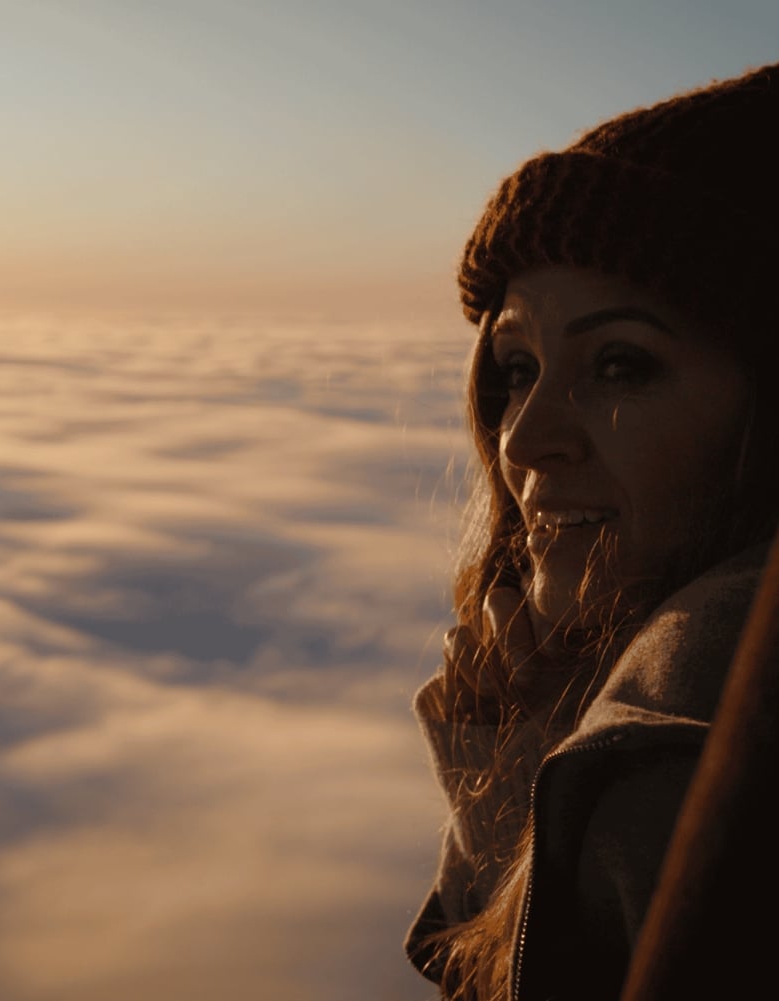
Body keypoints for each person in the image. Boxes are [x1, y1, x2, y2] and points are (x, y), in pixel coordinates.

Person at [405, 61, 779, 1001]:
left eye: (620, 364)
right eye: (518, 365)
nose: (525, 437)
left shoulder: (672, 767)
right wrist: (530, 797)